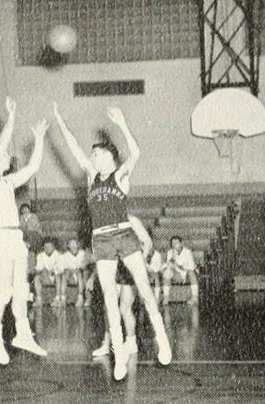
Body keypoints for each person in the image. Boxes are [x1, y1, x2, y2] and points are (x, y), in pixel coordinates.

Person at [54, 102, 171, 381]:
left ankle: (162, 339)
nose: (93, 157)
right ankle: (118, 352)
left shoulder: (120, 176)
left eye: (98, 153)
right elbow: (73, 148)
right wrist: (61, 123)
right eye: (92, 154)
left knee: (143, 286)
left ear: (109, 157)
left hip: (124, 235)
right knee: (108, 296)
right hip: (102, 239)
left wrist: (122, 124)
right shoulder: (92, 178)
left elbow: (137, 152)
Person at [0, 96, 48, 364]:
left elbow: (32, 168)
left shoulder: (6, 182)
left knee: (21, 288)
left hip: (14, 235)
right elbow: (2, 148)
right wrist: (11, 118)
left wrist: (39, 139)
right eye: (3, 154)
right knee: (4, 290)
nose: (9, 156)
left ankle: (22, 334)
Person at [93, 215, 152, 358]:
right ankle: (106, 344)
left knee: (125, 308)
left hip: (128, 267)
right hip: (113, 265)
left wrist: (138, 263)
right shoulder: (105, 221)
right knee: (109, 307)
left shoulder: (132, 220)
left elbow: (148, 243)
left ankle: (131, 342)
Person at [162, 236, 199, 306]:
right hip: (177, 274)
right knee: (167, 272)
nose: (174, 245)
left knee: (191, 273)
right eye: (173, 243)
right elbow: (168, 265)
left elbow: (191, 267)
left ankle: (195, 298)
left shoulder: (188, 252)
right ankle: (166, 297)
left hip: (187, 274)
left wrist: (179, 266)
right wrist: (172, 258)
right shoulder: (170, 252)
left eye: (176, 243)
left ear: (181, 243)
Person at [33, 238, 63, 307]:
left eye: (49, 247)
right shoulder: (40, 255)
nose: (47, 249)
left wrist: (52, 271)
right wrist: (44, 271)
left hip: (55, 277)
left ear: (53, 247)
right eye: (45, 247)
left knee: (58, 276)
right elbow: (38, 268)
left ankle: (57, 299)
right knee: (37, 278)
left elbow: (60, 269)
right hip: (44, 276)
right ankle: (39, 299)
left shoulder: (59, 255)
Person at [59, 238, 89, 307]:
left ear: (78, 245)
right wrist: (70, 270)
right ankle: (63, 298)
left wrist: (78, 268)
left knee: (79, 273)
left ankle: (80, 297)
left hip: (79, 273)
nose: (72, 246)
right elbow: (63, 267)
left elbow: (84, 264)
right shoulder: (65, 255)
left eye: (74, 244)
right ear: (68, 246)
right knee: (65, 273)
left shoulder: (83, 253)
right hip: (69, 274)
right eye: (70, 244)